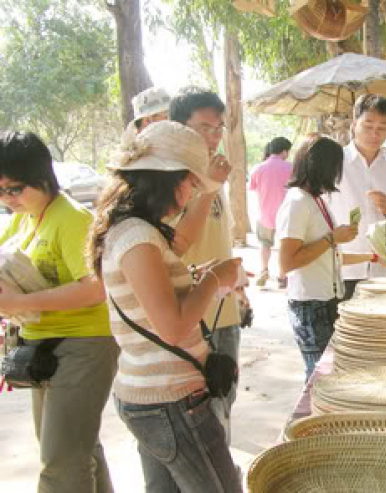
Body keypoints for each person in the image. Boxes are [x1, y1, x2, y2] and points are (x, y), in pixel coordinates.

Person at [88, 121, 242, 493]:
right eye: (191, 184)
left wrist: (197, 277)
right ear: (170, 180)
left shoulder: (137, 230)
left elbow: (154, 300)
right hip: (172, 400)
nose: (191, 194)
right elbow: (172, 327)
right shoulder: (138, 236)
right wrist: (215, 278)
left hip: (156, 397)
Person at [0, 131, 118, 492]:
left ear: (43, 177)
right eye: (0, 191)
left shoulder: (72, 220)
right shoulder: (23, 220)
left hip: (85, 344)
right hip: (42, 345)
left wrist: (20, 304)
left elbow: (95, 289)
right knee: (76, 447)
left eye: (15, 189)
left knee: (61, 460)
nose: (7, 199)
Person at [168, 87, 243, 442]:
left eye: (218, 128)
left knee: (223, 405)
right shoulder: (169, 179)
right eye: (204, 127)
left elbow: (220, 240)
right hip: (190, 313)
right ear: (179, 128)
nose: (214, 137)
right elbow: (175, 244)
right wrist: (210, 186)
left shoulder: (215, 177)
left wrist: (240, 291)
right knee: (201, 420)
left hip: (224, 313)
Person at [277, 134, 377, 380]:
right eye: (334, 167)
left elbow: (330, 257)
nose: (337, 174)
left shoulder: (317, 201)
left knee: (328, 375)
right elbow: (287, 262)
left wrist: (371, 257)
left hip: (327, 299)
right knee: (319, 379)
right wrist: (332, 238)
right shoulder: (298, 202)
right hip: (310, 305)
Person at [326, 94, 386, 300]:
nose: (375, 134)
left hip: (384, 268)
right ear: (354, 123)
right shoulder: (334, 162)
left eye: (382, 127)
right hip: (343, 265)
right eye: (368, 126)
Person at [249, 136, 293, 288]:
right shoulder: (290, 167)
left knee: (264, 245)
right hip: (285, 216)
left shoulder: (258, 168)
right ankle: (282, 276)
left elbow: (253, 188)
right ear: (284, 151)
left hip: (264, 215)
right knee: (283, 246)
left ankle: (264, 271)